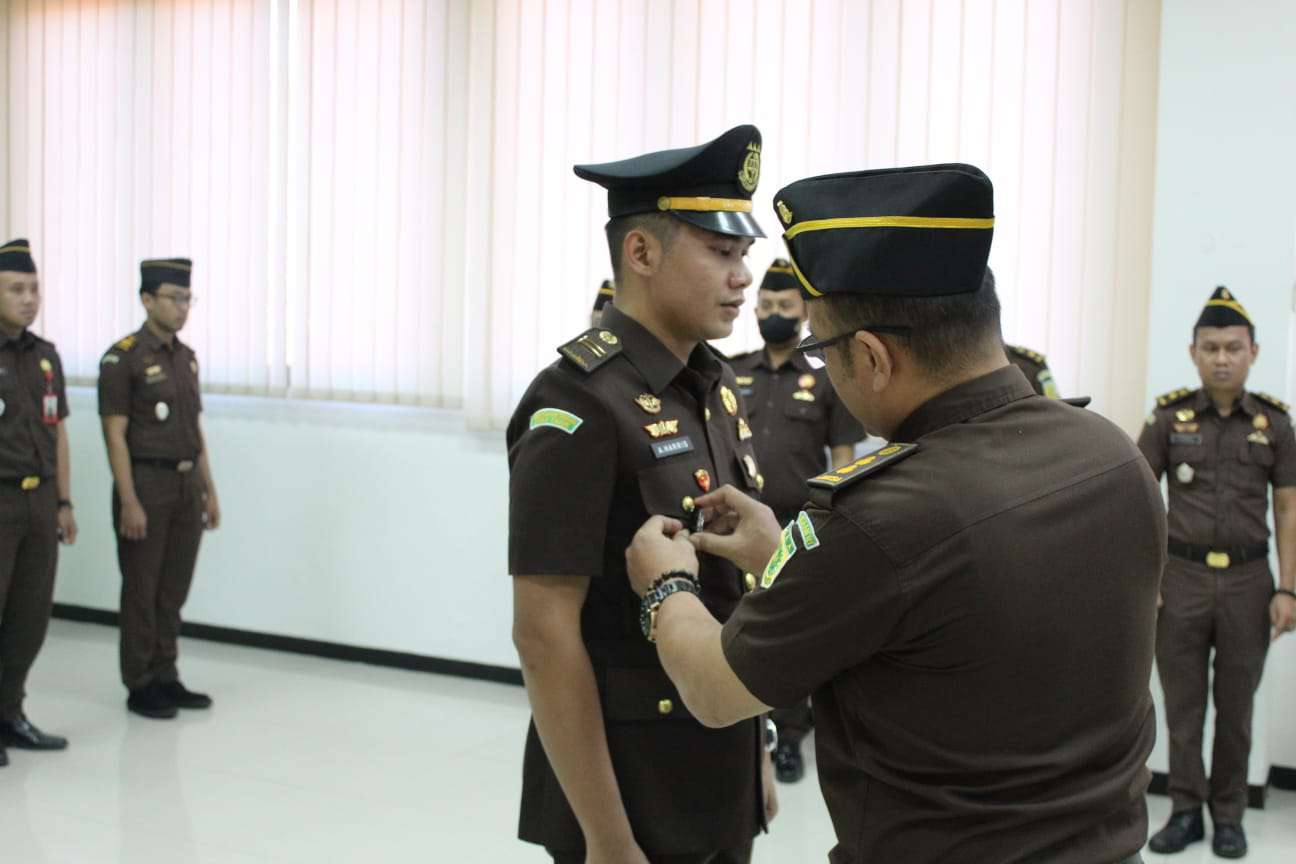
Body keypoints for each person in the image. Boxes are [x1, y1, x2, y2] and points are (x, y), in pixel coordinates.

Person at [623, 164, 1163, 864]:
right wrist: (783, 552)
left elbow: (716, 689)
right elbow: (966, 614)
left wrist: (667, 587)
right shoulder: (1112, 455)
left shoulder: (883, 516)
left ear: (873, 357)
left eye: (825, 352)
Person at [507, 125, 774, 864]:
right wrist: (607, 838)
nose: (743, 277)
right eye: (721, 252)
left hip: (716, 752)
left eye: (743, 255)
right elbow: (543, 632)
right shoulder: (579, 403)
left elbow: (728, 592)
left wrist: (755, 751)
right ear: (642, 252)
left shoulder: (713, 387)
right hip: (630, 781)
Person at [1139, 286, 1296, 860]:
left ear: (1254, 351)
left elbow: (1287, 509)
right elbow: (1140, 496)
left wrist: (1288, 588)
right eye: (1211, 347)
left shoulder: (1274, 423)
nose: (1222, 357)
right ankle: (1185, 812)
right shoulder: (1166, 417)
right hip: (1178, 579)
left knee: (1236, 710)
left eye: (1234, 347)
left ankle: (1228, 815)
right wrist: (1148, 578)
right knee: (1183, 708)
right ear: (1193, 352)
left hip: (1250, 584)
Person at [729, 258, 863, 782]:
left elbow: (846, 459)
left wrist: (839, 526)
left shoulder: (827, 378)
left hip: (799, 527)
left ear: (805, 311)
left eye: (785, 307)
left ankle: (787, 736)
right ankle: (742, 728)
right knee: (740, 627)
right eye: (765, 307)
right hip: (739, 523)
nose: (773, 315)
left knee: (789, 637)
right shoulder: (732, 371)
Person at [98, 258, 221, 720]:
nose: (182, 307)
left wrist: (210, 490)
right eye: (174, 297)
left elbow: (195, 429)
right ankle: (140, 682)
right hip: (146, 484)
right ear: (147, 300)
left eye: (187, 298)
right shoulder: (123, 358)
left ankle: (166, 674)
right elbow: (114, 435)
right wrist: (128, 498)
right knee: (142, 589)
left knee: (173, 589)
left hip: (186, 483)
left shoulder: (186, 358)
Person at [0, 238, 75, 764]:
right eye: (15, 289)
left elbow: (59, 434)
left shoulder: (45, 357)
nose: (29, 299)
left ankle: (11, 714)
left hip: (39, 502)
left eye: (34, 289)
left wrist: (64, 502)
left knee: (29, 617)